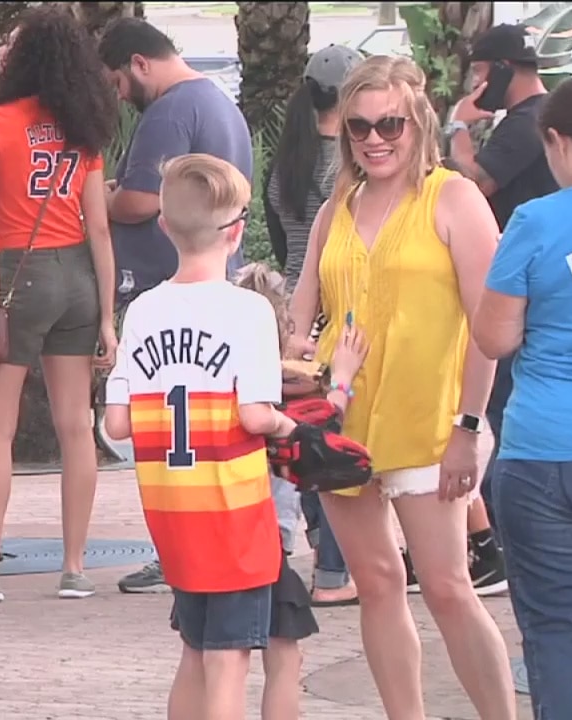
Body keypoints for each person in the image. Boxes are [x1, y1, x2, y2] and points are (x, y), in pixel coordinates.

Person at [286, 55, 516, 719]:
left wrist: (468, 429)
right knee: (379, 582)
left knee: (447, 587)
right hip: (343, 419)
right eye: (358, 126)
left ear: (416, 121)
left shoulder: (453, 196)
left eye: (389, 123)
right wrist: (294, 354)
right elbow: (304, 304)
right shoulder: (338, 205)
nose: (374, 139)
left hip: (429, 417)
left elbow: (489, 325)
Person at [104, 154, 298, 720]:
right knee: (229, 662)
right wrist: (296, 427)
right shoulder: (249, 312)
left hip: (171, 513)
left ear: (163, 226)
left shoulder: (141, 311)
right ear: (237, 231)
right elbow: (258, 415)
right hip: (234, 515)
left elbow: (117, 424)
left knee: (194, 650)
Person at [0, 5, 119, 604]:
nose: (0, 53)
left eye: (11, 46)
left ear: (24, 57)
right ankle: (74, 568)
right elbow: (99, 227)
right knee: (78, 426)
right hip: (78, 274)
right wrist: (106, 315)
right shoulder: (83, 126)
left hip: (15, 274)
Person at [97, 17, 255, 594]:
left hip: (171, 287)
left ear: (140, 64)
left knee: (172, 436)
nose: (119, 96)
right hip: (215, 282)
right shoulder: (219, 104)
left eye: (117, 81)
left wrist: (104, 197)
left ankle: (178, 552)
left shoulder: (169, 110)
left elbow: (140, 199)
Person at [474, 77, 572, 720]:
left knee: (556, 636)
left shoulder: (536, 220)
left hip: (548, 453)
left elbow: (494, 338)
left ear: (559, 142)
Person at [441, 23, 561, 598]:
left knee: (500, 409)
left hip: (521, 288)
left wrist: (459, 128)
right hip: (529, 284)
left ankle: (498, 539)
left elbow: (476, 182)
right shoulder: (534, 121)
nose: (477, 83)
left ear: (507, 68)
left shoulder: (525, 122)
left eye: (483, 72)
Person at [234, 262, 370, 720]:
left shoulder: (213, 379)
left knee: (203, 655)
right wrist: (344, 376)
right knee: (284, 660)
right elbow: (321, 433)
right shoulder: (275, 391)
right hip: (261, 542)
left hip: (208, 528)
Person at [263, 43, 364, 607]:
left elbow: (282, 242)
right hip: (334, 305)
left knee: (300, 428)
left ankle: (325, 552)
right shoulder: (345, 169)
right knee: (333, 430)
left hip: (293, 305)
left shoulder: (289, 159)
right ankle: (334, 565)